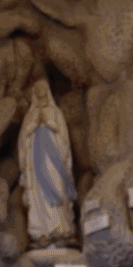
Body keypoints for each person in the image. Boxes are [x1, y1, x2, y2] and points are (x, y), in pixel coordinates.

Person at [18, 79, 78, 248]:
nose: (40, 92)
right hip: (36, 163)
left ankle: (61, 230)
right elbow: (23, 141)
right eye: (37, 90)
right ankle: (41, 232)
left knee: (58, 190)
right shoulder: (30, 116)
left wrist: (49, 123)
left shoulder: (56, 113)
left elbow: (63, 138)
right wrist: (34, 124)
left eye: (44, 89)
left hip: (54, 161)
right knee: (39, 197)